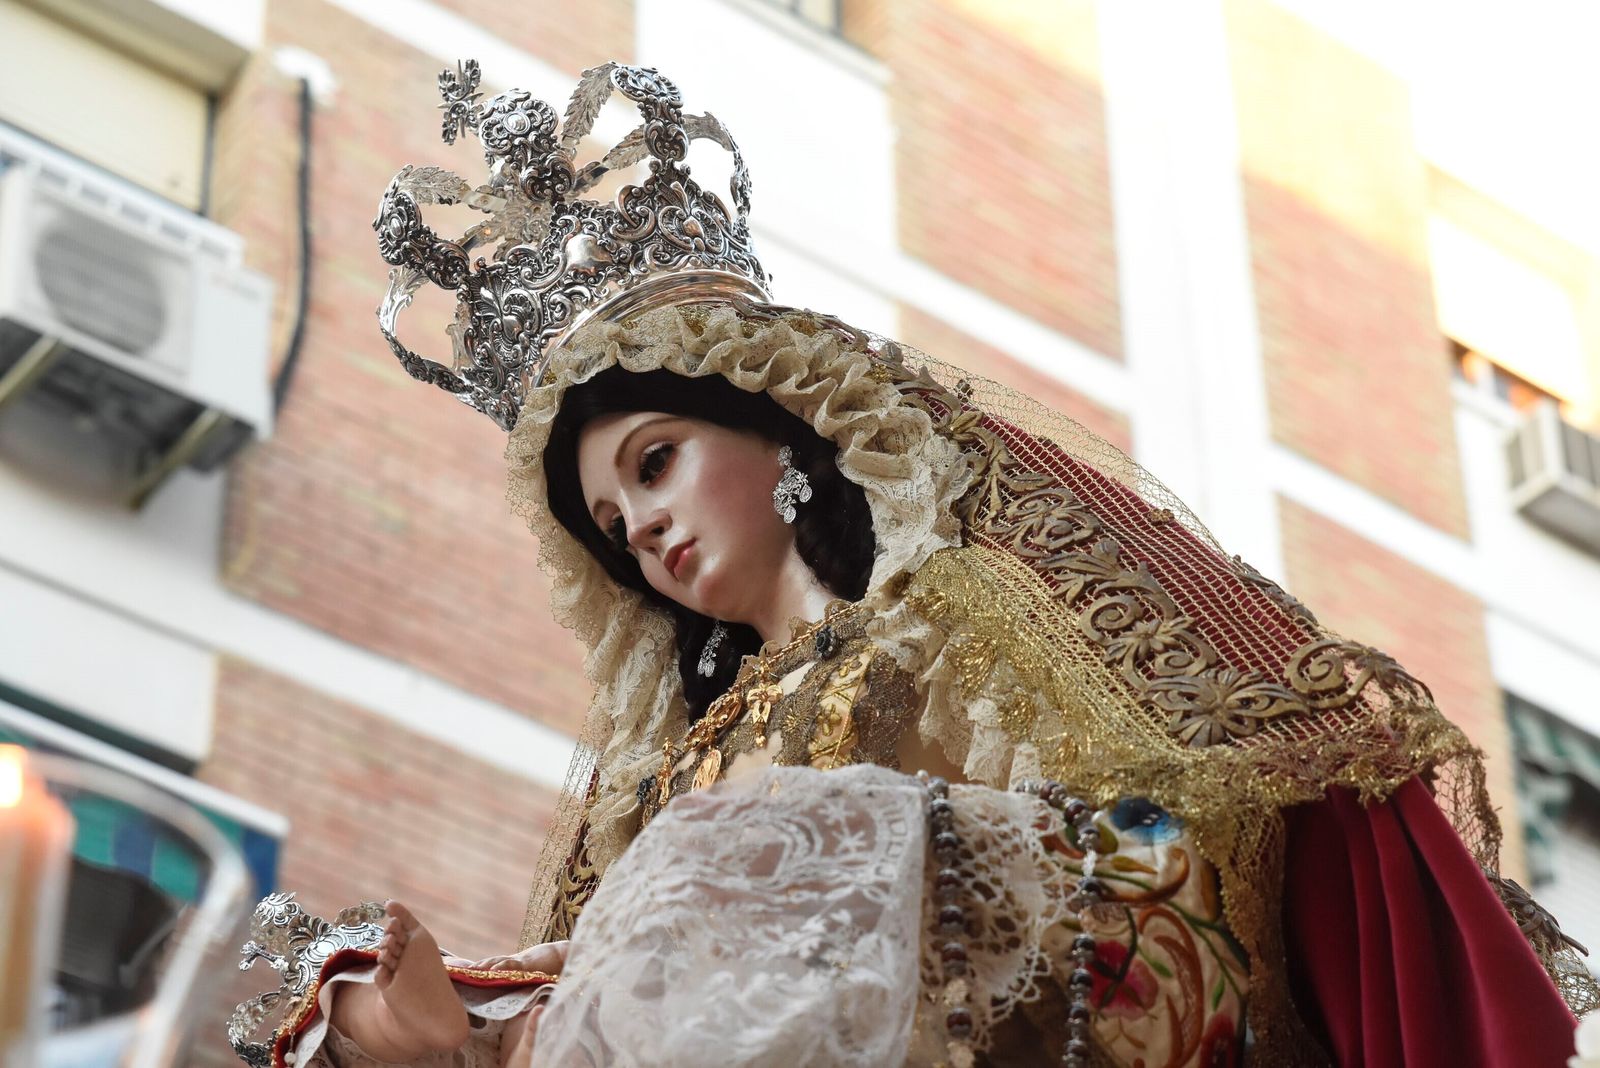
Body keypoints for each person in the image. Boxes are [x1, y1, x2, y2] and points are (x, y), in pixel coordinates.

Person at [231, 59, 1595, 1068]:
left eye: (653, 462)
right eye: (607, 519)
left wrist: (869, 866)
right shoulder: (671, 778)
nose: (636, 527)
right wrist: (438, 1023)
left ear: (778, 427)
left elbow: (1177, 868)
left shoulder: (959, 628)